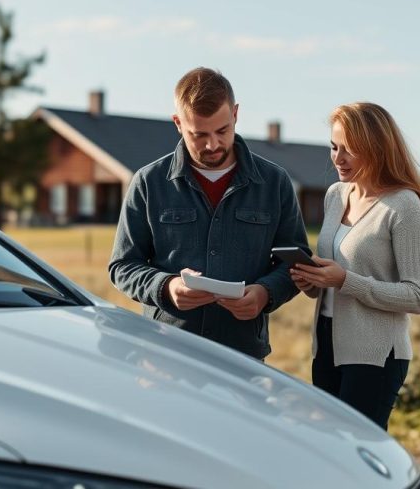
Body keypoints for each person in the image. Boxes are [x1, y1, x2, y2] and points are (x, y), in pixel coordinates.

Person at [109, 67, 309, 361]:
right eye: (199, 134)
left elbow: (296, 262)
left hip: (244, 354)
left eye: (222, 130)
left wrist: (266, 293)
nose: (212, 144)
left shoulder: (275, 182)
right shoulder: (148, 182)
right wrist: (166, 287)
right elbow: (122, 266)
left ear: (236, 114)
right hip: (165, 353)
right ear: (177, 123)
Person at [289, 102, 420, 430]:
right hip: (326, 344)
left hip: (376, 355)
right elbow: (330, 281)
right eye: (334, 147)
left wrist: (346, 280)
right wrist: (312, 281)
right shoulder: (335, 195)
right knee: (330, 448)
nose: (338, 158)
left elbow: (417, 297)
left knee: (359, 452)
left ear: (377, 149)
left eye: (350, 150)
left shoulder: (404, 206)